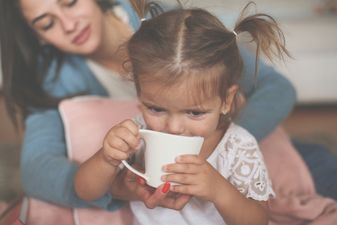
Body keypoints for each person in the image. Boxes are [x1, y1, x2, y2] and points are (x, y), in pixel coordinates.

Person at [0, 0, 335, 213]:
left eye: (70, 2)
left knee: (319, 172)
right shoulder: (52, 83)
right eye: (46, 23)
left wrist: (218, 150)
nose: (69, 24)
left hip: (257, 155)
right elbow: (45, 172)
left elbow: (275, 89)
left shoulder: (173, 31)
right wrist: (113, 177)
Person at [74, 4, 292, 225]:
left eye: (195, 112)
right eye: (156, 109)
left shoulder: (237, 147)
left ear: (226, 100)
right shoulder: (138, 134)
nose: (174, 127)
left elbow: (258, 221)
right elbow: (85, 191)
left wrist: (219, 190)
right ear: (140, 95)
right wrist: (106, 158)